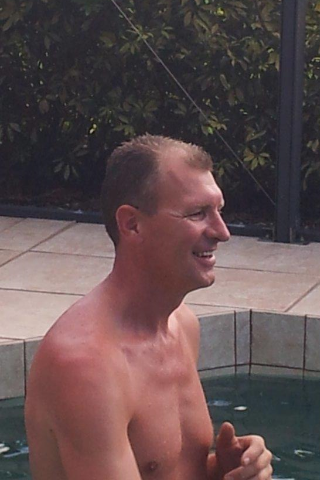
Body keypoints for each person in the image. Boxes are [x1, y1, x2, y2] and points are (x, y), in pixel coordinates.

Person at [25, 134, 273, 480]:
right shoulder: (86, 366)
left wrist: (227, 471)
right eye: (197, 213)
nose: (222, 232)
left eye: (219, 210)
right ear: (133, 224)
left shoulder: (182, 326)